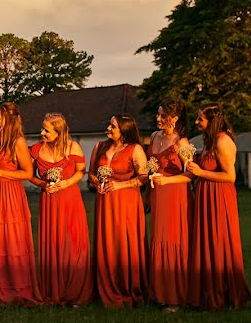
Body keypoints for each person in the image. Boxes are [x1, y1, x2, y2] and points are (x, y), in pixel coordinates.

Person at [186, 103, 251, 310]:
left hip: (219, 197)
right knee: (207, 242)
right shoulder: (209, 141)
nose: (196, 122)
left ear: (211, 121)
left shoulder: (222, 141)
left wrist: (200, 173)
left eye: (200, 119)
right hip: (206, 195)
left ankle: (227, 293)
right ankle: (209, 293)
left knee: (220, 242)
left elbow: (230, 176)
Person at [0, 102, 42, 306]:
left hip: (9, 195)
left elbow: (27, 173)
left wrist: (0, 173)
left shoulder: (18, 142)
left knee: (11, 241)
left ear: (8, 120)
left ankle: (15, 288)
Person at [28, 113, 92, 306]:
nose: (42, 132)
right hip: (48, 199)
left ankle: (75, 291)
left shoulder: (73, 147)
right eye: (42, 128)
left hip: (69, 199)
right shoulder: (37, 149)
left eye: (46, 130)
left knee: (72, 244)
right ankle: (53, 290)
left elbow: (81, 170)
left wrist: (65, 184)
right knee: (52, 243)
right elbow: (28, 174)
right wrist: (42, 185)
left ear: (59, 131)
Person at [88, 114, 148, 308]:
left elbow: (143, 177)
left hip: (127, 202)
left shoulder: (135, 149)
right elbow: (91, 174)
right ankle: (105, 286)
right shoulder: (100, 147)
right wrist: (97, 182)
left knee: (125, 242)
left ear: (124, 130)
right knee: (107, 241)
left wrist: (120, 185)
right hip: (104, 202)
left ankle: (129, 287)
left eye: (113, 126)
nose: (108, 128)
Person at [146, 99, 192, 312]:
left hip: (175, 195)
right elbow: (149, 168)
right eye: (158, 114)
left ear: (174, 118)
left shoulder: (182, 143)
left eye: (163, 115)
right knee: (158, 239)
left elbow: (192, 173)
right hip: (157, 195)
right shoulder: (154, 137)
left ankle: (175, 296)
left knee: (173, 241)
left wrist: (168, 181)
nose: (158, 119)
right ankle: (159, 293)